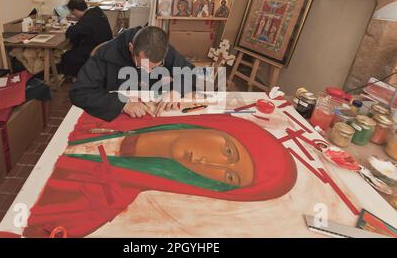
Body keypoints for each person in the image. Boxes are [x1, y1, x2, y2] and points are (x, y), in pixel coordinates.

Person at [17, 114, 298, 238]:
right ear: (219, 128)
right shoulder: (116, 115)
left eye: (228, 177)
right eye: (227, 150)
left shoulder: (97, 207)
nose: (208, 165)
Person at [69, 26, 196, 121]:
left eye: (157, 67)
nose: (148, 72)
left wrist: (177, 90)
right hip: (117, 115)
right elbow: (79, 92)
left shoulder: (161, 48)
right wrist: (122, 104)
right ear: (131, 48)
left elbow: (191, 72)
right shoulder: (106, 54)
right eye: (142, 65)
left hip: (154, 111)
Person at [60, 0, 113, 78]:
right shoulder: (96, 11)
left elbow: (70, 32)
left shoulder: (87, 19)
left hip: (97, 49)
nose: (72, 15)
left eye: (72, 12)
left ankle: (76, 76)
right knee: (76, 45)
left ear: (75, 10)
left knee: (67, 56)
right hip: (106, 46)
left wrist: (74, 25)